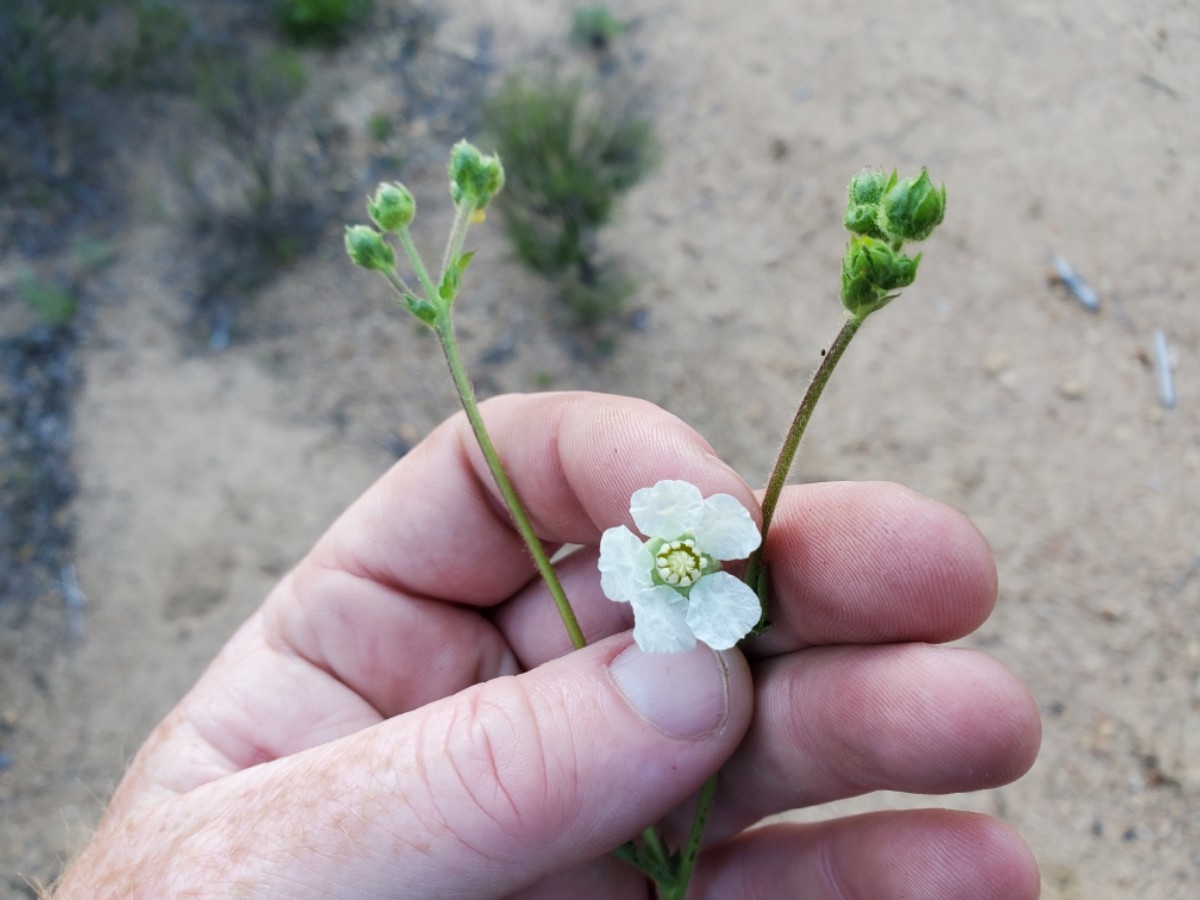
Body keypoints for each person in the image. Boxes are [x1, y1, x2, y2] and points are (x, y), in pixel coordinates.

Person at [54, 392, 1041, 898]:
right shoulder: (652, 564)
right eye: (677, 552)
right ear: (660, 546)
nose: (687, 557)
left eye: (693, 553)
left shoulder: (711, 567)